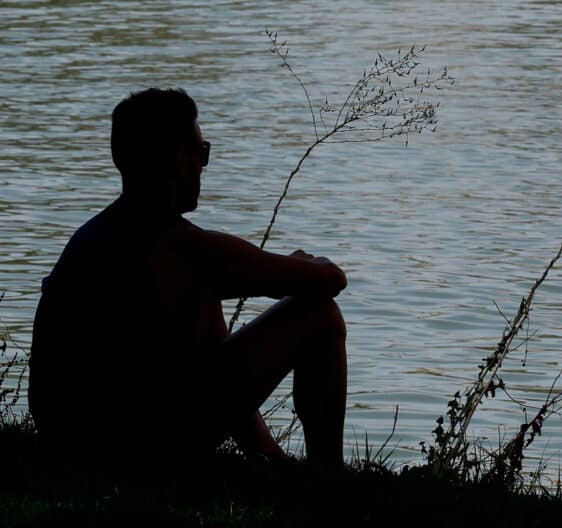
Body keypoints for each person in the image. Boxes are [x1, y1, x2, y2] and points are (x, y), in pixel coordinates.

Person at [29, 88, 348, 467]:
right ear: (181, 159)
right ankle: (328, 477)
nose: (204, 166)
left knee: (202, 302)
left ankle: (269, 459)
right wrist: (302, 264)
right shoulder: (181, 247)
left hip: (68, 437)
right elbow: (331, 280)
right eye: (202, 153)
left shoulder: (95, 236)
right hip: (132, 447)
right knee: (321, 316)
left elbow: (216, 356)